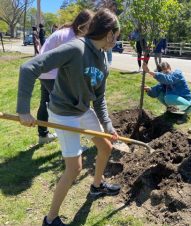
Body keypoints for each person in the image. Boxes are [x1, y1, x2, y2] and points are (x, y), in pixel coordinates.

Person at [17, 8, 121, 226]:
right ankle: (50, 219)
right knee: (74, 168)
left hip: (82, 110)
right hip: (63, 112)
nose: (117, 39)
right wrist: (23, 110)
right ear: (109, 32)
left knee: (106, 147)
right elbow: (29, 68)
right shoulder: (75, 48)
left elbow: (99, 99)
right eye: (117, 34)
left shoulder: (103, 59)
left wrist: (108, 126)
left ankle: (96, 186)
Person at [36, 9, 95, 145]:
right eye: (90, 26)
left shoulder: (66, 32)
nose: (91, 30)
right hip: (52, 73)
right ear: (83, 24)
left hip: (44, 71)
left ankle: (43, 136)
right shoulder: (71, 37)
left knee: (44, 102)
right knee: (69, 107)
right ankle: (73, 144)